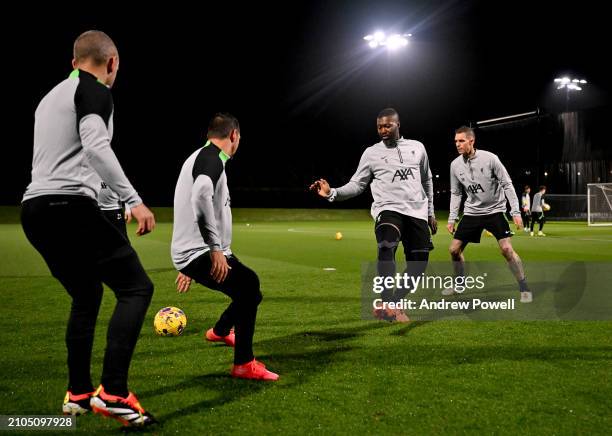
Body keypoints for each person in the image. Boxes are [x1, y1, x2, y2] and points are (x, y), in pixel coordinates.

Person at [20, 30, 157, 426]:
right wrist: (133, 199)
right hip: (68, 208)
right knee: (136, 288)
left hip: (35, 210)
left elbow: (68, 159)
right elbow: (96, 147)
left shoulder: (50, 98)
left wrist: (110, 202)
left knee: (86, 294)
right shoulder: (96, 90)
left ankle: (78, 393)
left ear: (73, 60)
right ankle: (113, 392)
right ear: (111, 63)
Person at [171, 113, 279, 381]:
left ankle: (220, 331)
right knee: (249, 286)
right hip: (202, 251)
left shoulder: (203, 156)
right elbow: (199, 196)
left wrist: (194, 259)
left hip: (196, 251)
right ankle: (243, 364)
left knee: (250, 292)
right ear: (234, 136)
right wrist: (213, 249)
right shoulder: (213, 159)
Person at [310, 108, 437, 322]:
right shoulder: (371, 153)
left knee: (419, 264)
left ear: (398, 125)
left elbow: (427, 181)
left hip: (417, 211)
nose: (383, 130)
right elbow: (357, 185)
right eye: (379, 126)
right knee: (387, 245)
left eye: (387, 125)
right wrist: (332, 193)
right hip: (388, 209)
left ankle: (395, 303)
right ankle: (387, 301)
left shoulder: (418, 148)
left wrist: (430, 212)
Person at [445, 126, 532, 303]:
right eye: (456, 141)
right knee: (454, 250)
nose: (458, 144)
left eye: (461, 141)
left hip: (495, 210)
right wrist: (452, 218)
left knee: (507, 249)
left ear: (471, 141)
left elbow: (507, 184)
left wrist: (515, 212)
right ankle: (460, 283)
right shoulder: (455, 165)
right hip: (472, 212)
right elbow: (456, 193)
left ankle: (524, 286)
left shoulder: (490, 159)